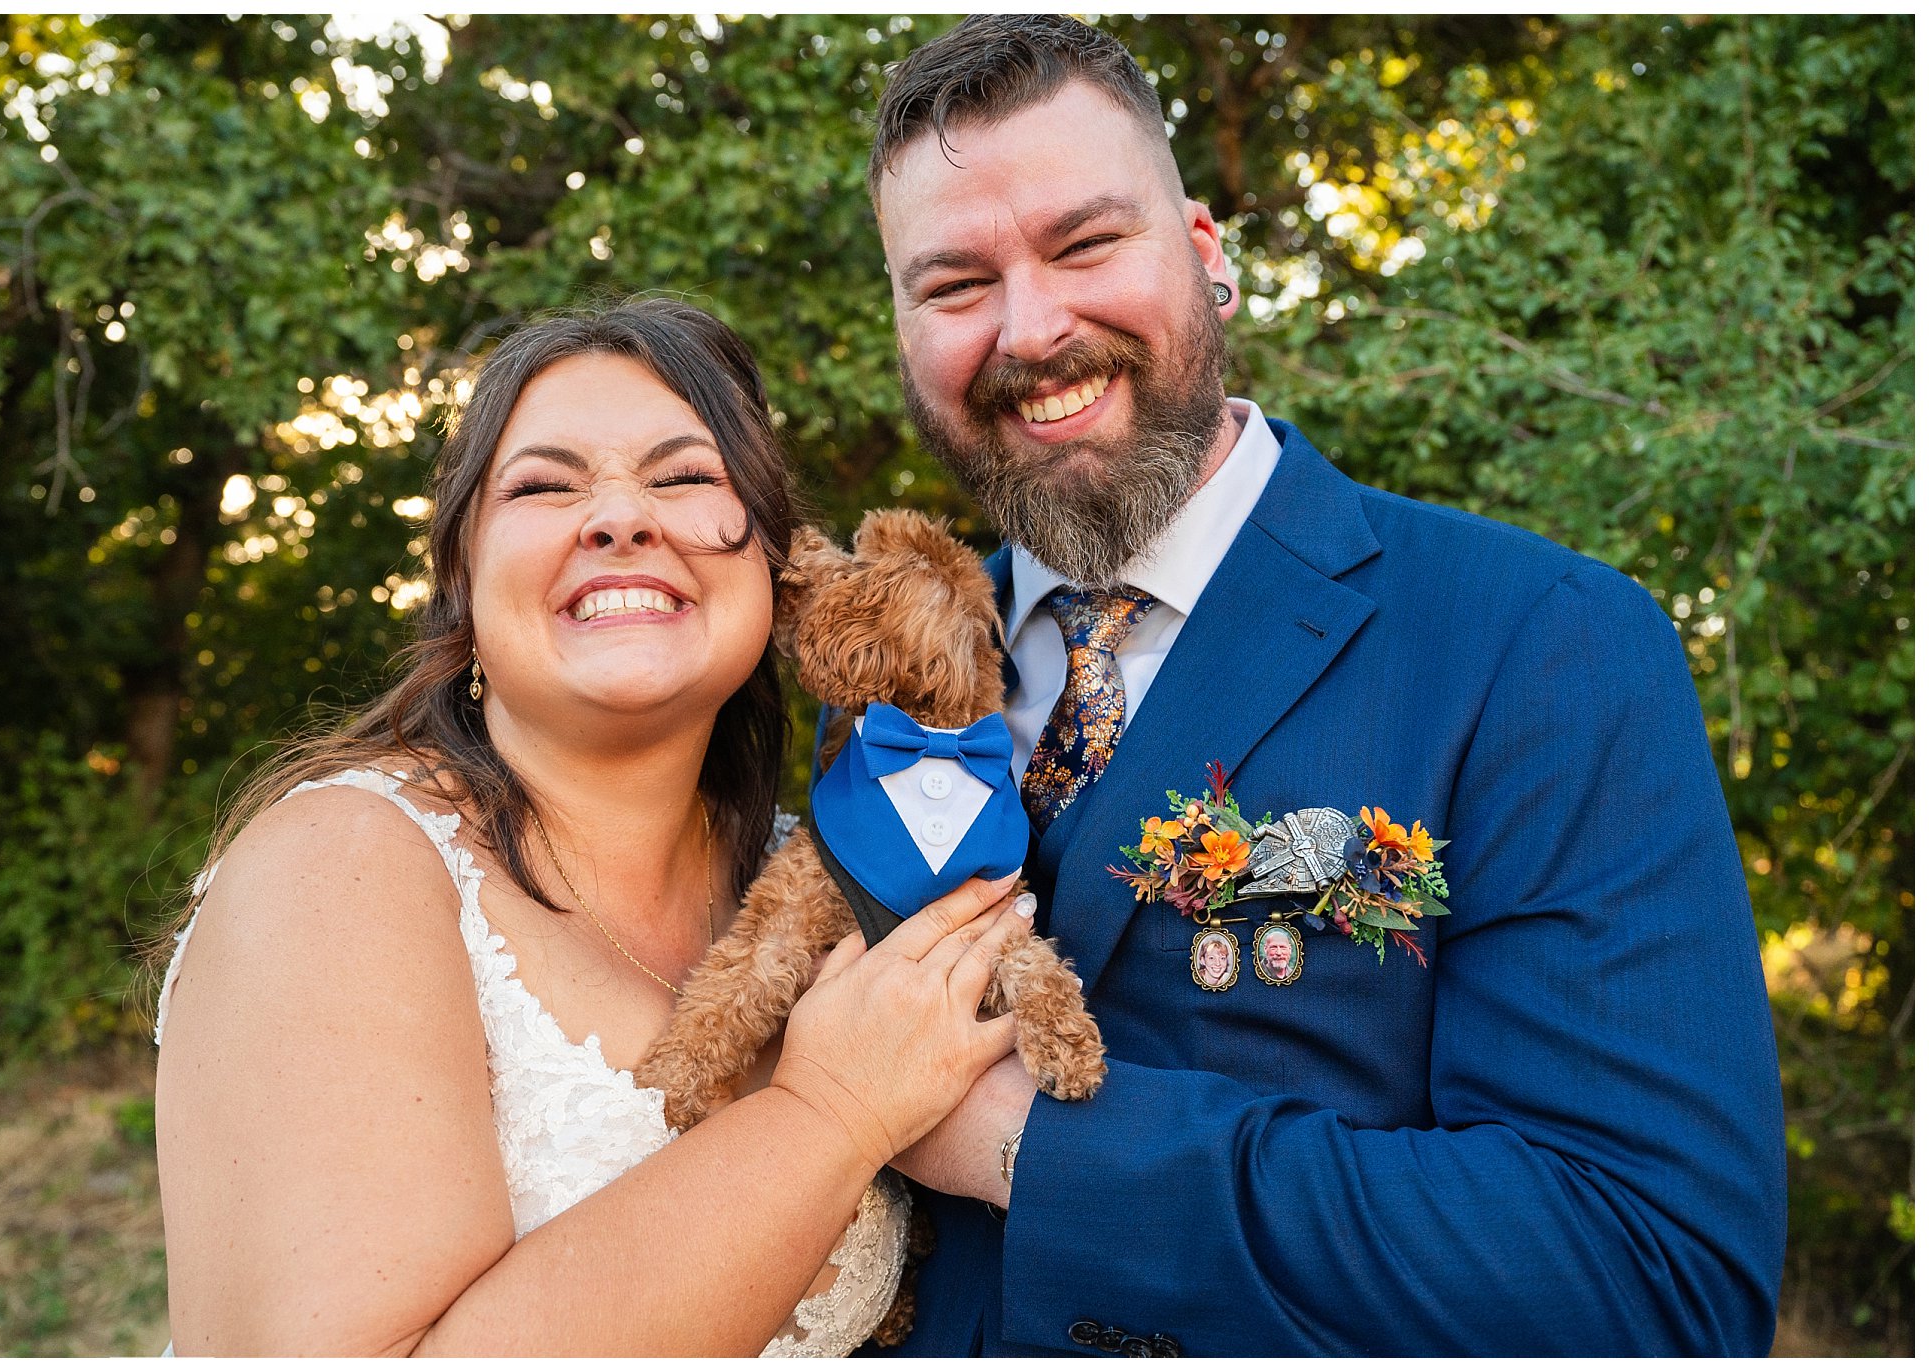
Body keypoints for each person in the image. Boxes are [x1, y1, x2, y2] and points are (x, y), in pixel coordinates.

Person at [860, 16, 1787, 1356]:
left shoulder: (1543, 642)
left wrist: (1027, 1149)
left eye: (1085, 243)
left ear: (1205, 255)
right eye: (953, 285)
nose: (1032, 326)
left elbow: (1648, 1278)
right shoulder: (887, 685)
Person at [150, 300, 1033, 1355]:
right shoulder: (338, 869)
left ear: (777, 568)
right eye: (542, 484)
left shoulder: (822, 869)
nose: (619, 519)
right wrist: (833, 1112)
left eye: (683, 477)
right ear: (461, 579)